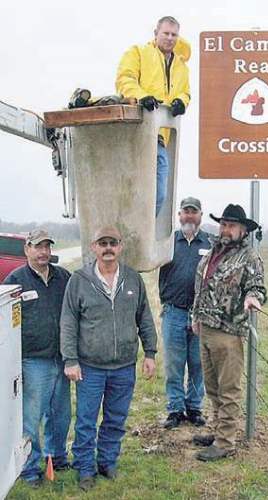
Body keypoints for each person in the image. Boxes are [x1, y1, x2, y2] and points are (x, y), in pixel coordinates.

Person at [60, 226, 157, 491]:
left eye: (112, 243)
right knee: (86, 420)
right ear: (94, 247)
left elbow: (144, 318)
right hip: (90, 367)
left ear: (120, 246)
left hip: (124, 366)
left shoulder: (132, 279)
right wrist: (70, 360)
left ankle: (107, 461)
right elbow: (68, 322)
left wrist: (150, 352)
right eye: (102, 243)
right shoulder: (79, 280)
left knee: (115, 418)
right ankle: (84, 468)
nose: (108, 248)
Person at [192, 204, 267, 461]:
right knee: (212, 387)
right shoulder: (213, 251)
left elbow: (257, 286)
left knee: (228, 389)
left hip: (228, 332)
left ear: (243, 230)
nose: (225, 229)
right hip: (205, 328)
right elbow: (201, 287)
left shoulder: (249, 257)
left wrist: (252, 298)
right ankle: (217, 431)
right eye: (223, 224)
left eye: (231, 225)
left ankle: (225, 443)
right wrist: (196, 317)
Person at [4, 229, 71, 486]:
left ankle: (57, 457)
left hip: (61, 357)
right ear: (27, 250)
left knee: (60, 414)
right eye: (37, 246)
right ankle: (29, 468)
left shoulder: (63, 277)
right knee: (31, 417)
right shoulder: (15, 280)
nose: (43, 252)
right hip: (33, 361)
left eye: (47, 246)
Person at [116, 16, 191, 215]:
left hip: (160, 137)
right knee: (131, 191)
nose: (169, 38)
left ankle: (144, 237)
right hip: (135, 133)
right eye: (165, 33)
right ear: (155, 33)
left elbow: (185, 92)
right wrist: (142, 97)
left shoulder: (181, 66)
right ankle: (130, 234)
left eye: (174, 34)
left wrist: (182, 102)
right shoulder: (138, 52)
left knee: (159, 194)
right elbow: (125, 79)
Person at [159, 197, 212, 429]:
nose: (190, 216)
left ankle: (194, 407)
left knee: (198, 363)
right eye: (186, 212)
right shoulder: (168, 242)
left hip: (200, 314)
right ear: (179, 215)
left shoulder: (210, 243)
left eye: (194, 212)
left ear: (200, 215)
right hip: (173, 312)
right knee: (174, 364)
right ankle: (175, 408)